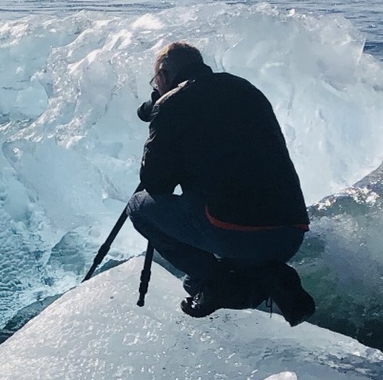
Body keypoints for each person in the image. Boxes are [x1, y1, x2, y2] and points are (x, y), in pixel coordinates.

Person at [124, 41, 317, 324]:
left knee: (139, 208)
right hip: (290, 232)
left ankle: (215, 284)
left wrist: (165, 125)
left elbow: (156, 185)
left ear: (163, 75)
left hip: (236, 233)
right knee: (225, 238)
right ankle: (269, 277)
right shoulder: (245, 89)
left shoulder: (171, 104)